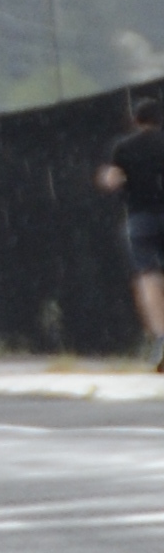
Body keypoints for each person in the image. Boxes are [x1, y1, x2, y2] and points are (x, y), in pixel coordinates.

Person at [97, 92, 164, 364]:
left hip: (141, 217)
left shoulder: (123, 147)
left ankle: (161, 337)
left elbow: (111, 181)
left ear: (136, 120)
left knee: (148, 276)